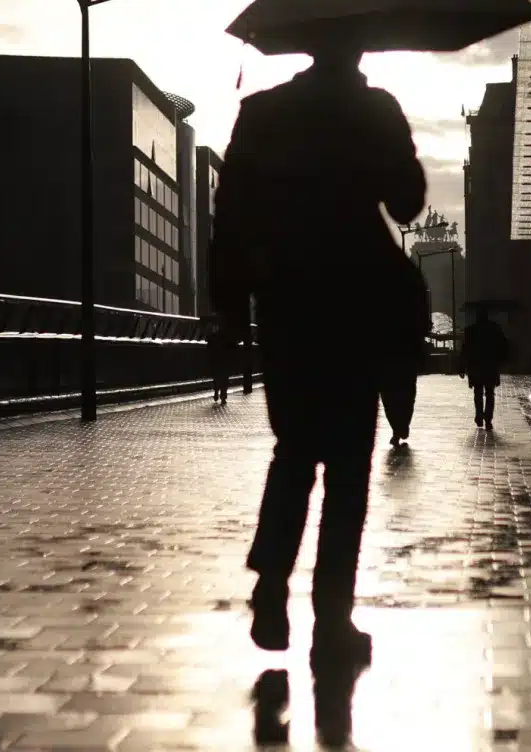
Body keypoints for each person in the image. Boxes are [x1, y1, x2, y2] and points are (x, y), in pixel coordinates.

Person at [210, 42, 426, 667]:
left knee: (295, 449)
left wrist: (229, 304)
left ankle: (272, 582)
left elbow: (232, 218)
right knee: (349, 467)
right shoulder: (376, 109)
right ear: (363, 47)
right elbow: (408, 203)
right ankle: (332, 617)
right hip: (358, 301)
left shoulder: (262, 113)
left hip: (287, 302)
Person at [380, 260, 431, 446]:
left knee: (392, 397)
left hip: (391, 359)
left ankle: (398, 427)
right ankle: (400, 426)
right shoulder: (413, 283)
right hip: (402, 359)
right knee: (404, 396)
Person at [458, 306, 511, 429]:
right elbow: (504, 346)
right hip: (490, 366)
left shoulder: (470, 331)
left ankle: (479, 416)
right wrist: (501, 361)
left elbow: (464, 351)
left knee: (478, 392)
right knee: (490, 393)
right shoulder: (495, 329)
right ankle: (488, 419)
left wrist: (461, 367)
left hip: (475, 366)